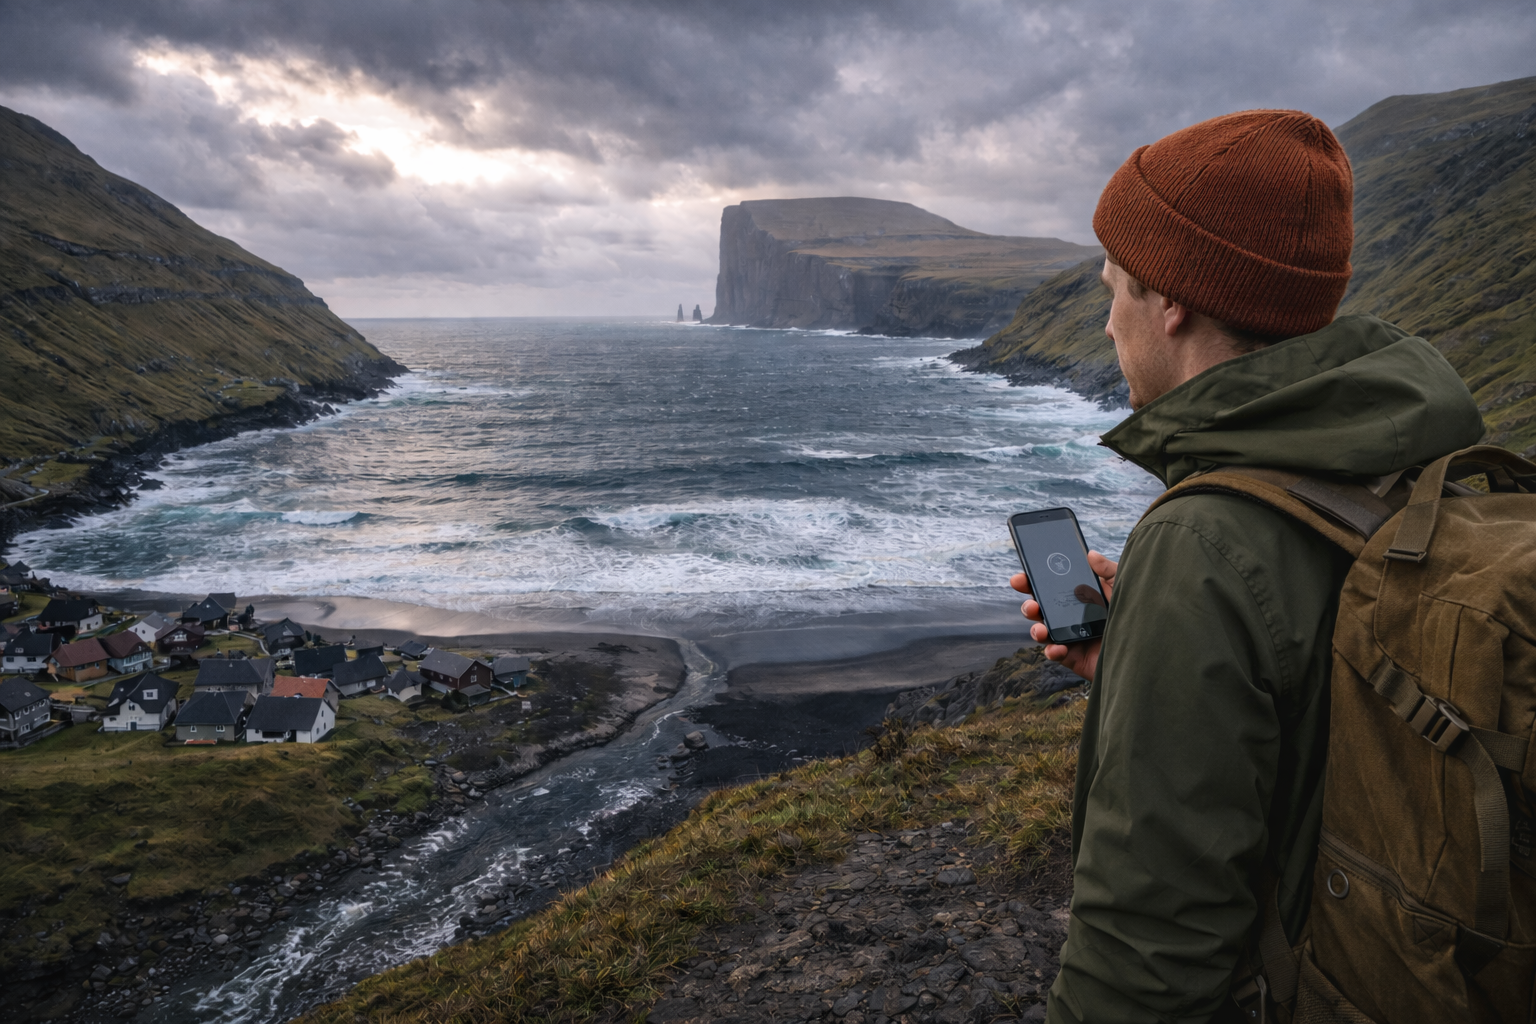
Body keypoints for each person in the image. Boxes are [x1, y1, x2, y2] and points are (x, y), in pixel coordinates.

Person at [1012, 110, 1485, 1023]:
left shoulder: (1201, 546)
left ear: (1175, 302)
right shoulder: (1424, 465)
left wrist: (1182, 620)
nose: (1109, 323)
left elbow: (1146, 951)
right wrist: (1143, 665)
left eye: (1115, 290)